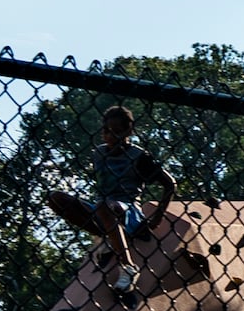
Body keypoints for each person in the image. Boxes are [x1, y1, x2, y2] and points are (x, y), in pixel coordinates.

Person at [41, 104, 177, 295]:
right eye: (106, 131)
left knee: (105, 206)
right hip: (101, 209)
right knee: (56, 198)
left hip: (128, 210)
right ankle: (108, 235)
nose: (110, 136)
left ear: (129, 131)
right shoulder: (99, 153)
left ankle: (128, 266)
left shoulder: (138, 156)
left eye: (117, 132)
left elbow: (170, 184)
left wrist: (157, 217)